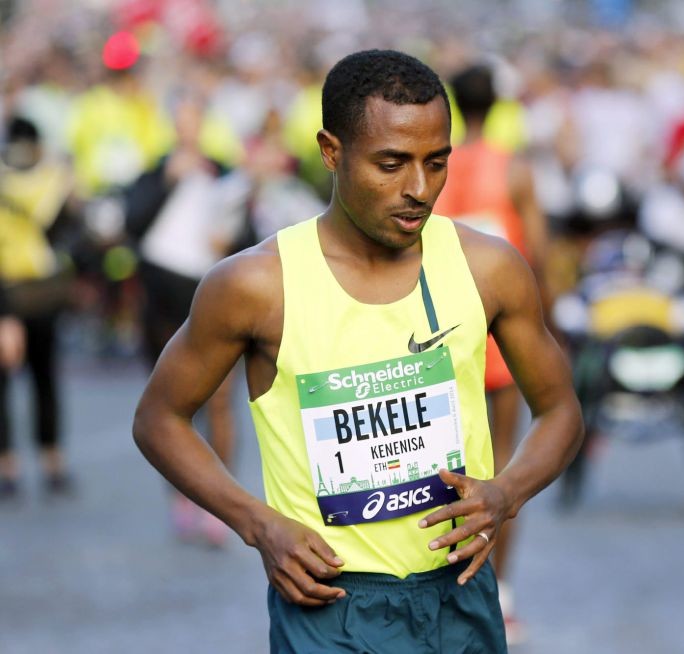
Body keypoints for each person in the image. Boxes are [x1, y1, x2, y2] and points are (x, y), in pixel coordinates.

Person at [132, 49, 583, 652]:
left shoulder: (488, 268)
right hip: (328, 606)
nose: (418, 189)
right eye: (391, 164)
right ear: (331, 151)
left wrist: (506, 493)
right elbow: (158, 419)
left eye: (436, 162)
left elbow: (561, 410)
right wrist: (258, 524)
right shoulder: (257, 285)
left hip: (460, 597)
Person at [433, 63, 549, 645]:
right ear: (498, 105)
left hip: (438, 329)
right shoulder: (516, 169)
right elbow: (539, 255)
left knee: (438, 459)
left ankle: (438, 582)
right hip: (499, 329)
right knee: (500, 466)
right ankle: (499, 592)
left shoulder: (435, 164)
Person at [125, 93, 240, 546]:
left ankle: (222, 503)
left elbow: (246, 232)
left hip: (214, 298)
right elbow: (133, 223)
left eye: (195, 119)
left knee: (221, 400)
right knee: (172, 402)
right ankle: (181, 495)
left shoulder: (222, 171)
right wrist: (168, 181)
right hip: (163, 300)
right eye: (182, 120)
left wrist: (228, 236)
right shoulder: (155, 170)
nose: (188, 128)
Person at [0, 116, 75, 499]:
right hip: (24, 293)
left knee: (41, 379)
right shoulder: (53, 181)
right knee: (38, 380)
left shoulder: (51, 180)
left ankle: (35, 462)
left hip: (31, 294)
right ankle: (34, 463)